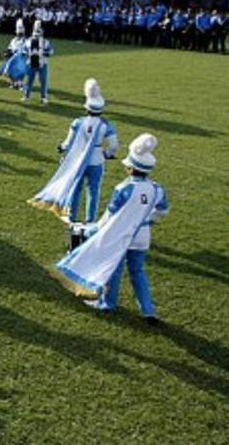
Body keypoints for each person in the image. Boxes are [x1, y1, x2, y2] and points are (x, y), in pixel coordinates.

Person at [57, 134, 169, 325]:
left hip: (121, 236)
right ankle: (148, 310)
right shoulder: (157, 189)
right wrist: (146, 222)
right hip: (142, 237)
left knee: (114, 270)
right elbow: (163, 211)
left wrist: (93, 229)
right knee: (138, 272)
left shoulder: (123, 188)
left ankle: (107, 303)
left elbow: (109, 216)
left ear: (131, 168)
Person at [30, 79, 118, 223]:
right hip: (97, 160)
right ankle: (90, 220)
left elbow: (68, 142)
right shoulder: (106, 125)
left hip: (78, 159)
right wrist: (107, 154)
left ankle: (72, 216)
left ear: (86, 108)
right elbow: (114, 145)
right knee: (93, 191)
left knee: (76, 188)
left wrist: (61, 148)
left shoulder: (77, 122)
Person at [22, 21, 53, 105]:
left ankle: (43, 97)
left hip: (42, 63)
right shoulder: (28, 41)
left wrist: (42, 53)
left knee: (43, 81)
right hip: (31, 64)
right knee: (29, 80)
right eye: (36, 30)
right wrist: (28, 54)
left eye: (39, 30)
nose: (37, 33)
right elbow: (24, 50)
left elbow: (51, 52)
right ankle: (26, 96)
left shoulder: (45, 42)